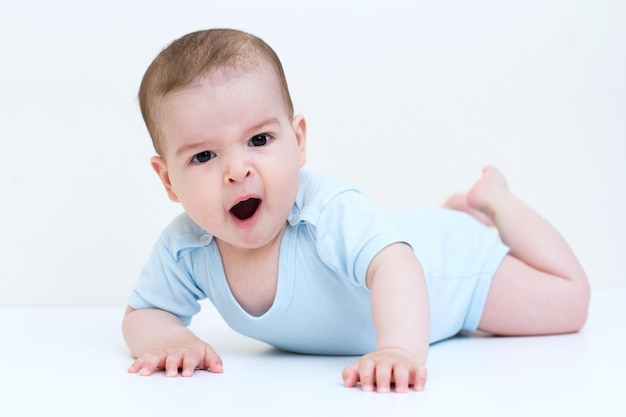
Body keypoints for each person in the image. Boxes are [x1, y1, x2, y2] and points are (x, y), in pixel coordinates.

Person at [122, 28, 590, 393]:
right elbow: (144, 314)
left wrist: (399, 350)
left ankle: (494, 201)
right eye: (204, 157)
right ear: (168, 180)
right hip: (416, 236)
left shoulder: (325, 212)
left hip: (450, 274)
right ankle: (461, 212)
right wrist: (170, 341)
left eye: (259, 140)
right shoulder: (187, 247)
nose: (236, 170)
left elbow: (396, 264)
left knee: (571, 302)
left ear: (298, 140)